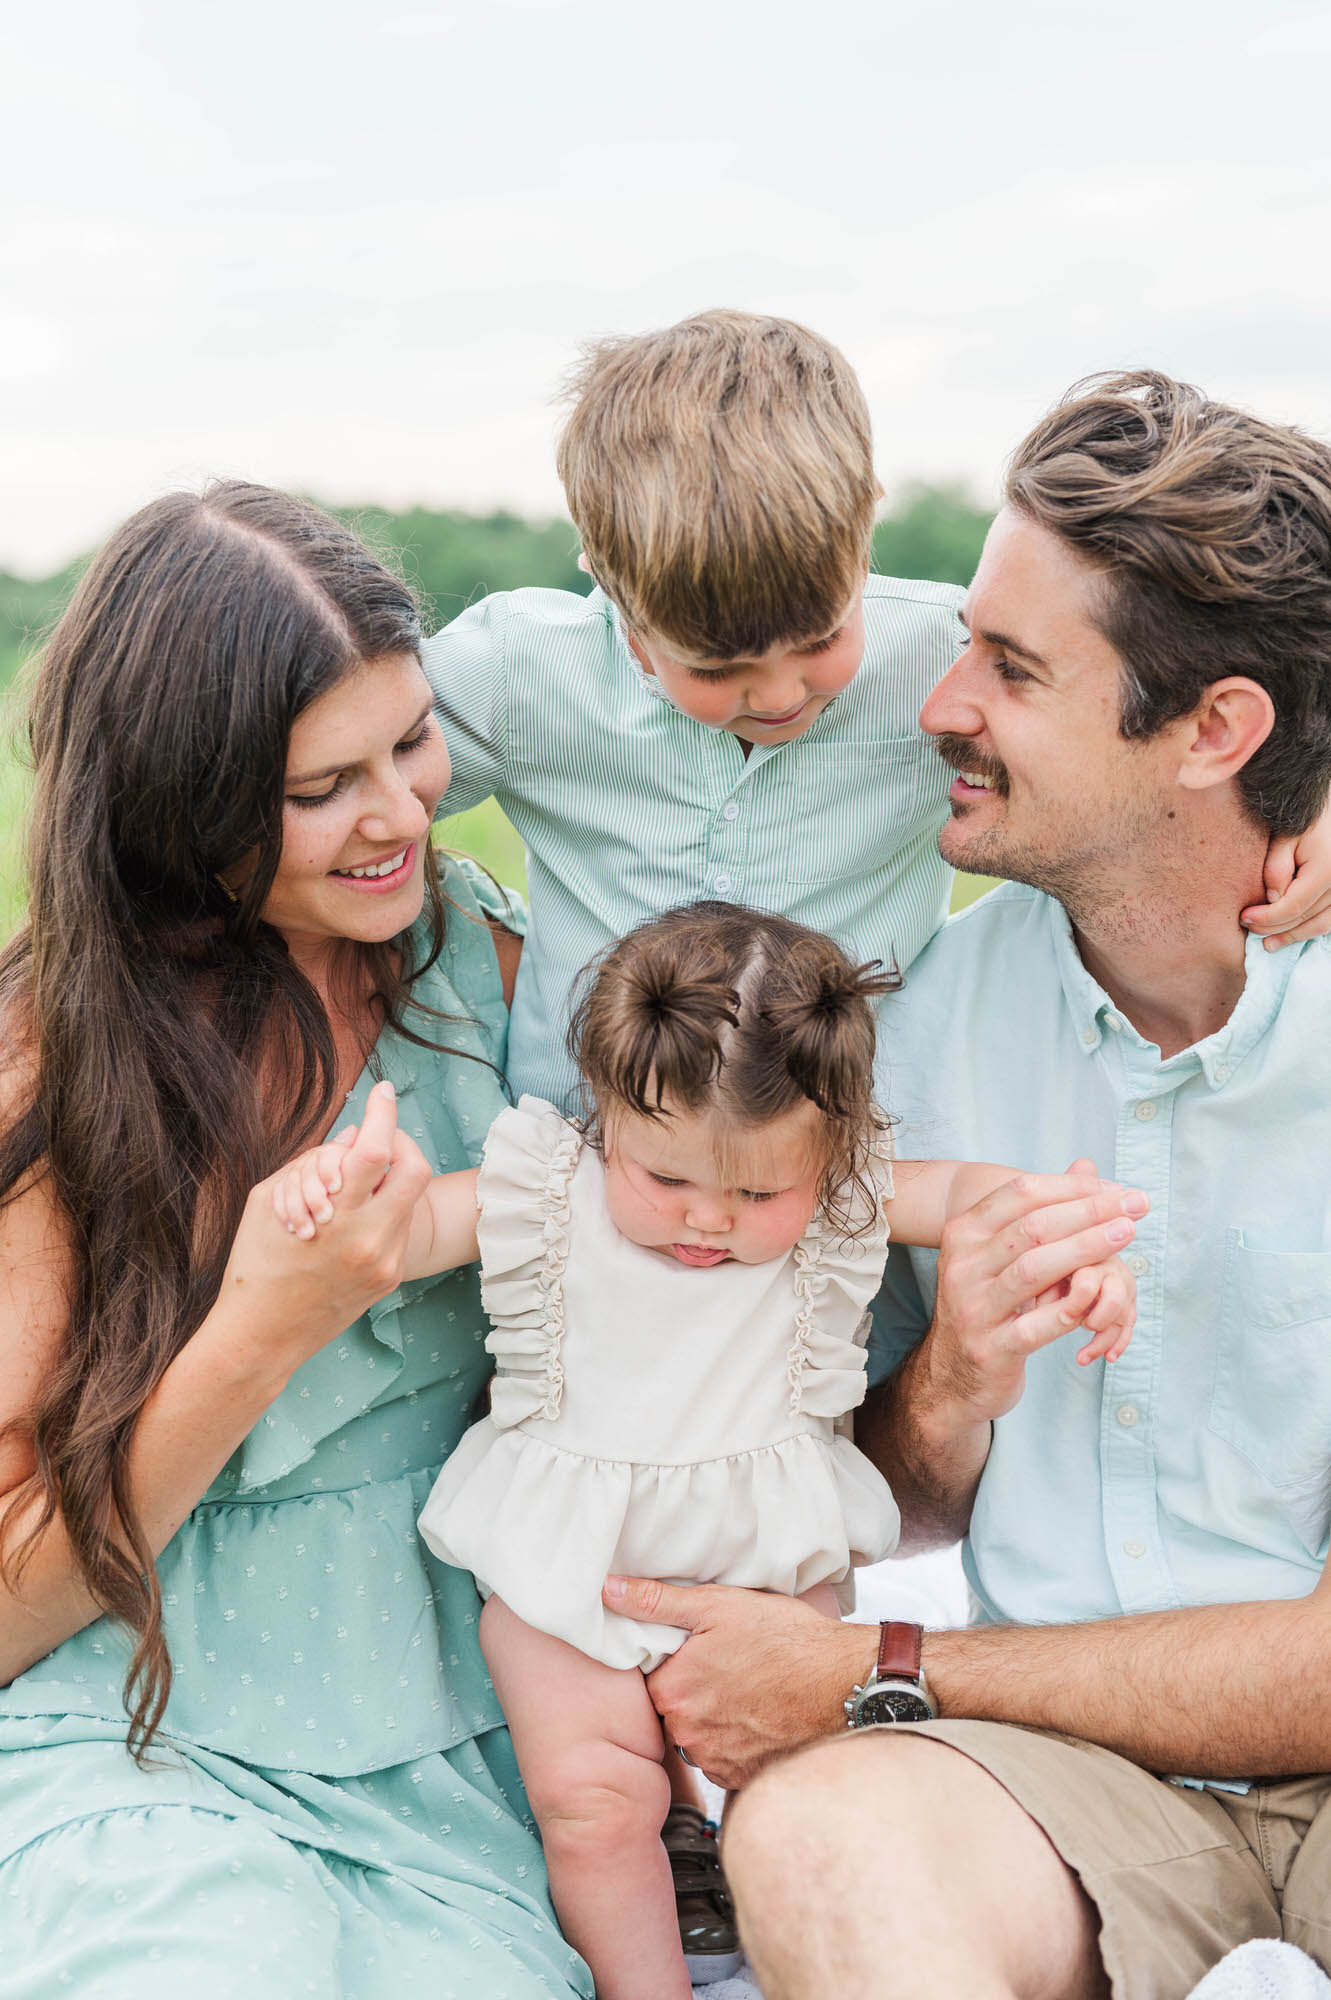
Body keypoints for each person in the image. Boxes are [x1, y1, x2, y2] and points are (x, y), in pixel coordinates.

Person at [596, 372, 1331, 2000]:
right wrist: (949, 1386)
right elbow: (879, 1502)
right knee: (819, 1838)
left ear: (1215, 732)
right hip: (1060, 1798)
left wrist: (885, 1668)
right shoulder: (911, 1037)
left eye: (1009, 668)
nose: (936, 706)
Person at [275, 899, 1143, 2000]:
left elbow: (977, 1194)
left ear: (826, 1151)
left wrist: (1069, 1246)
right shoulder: (549, 1193)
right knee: (593, 1808)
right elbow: (397, 1232)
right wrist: (328, 1190)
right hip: (564, 1562)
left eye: (755, 1191)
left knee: (808, 1796)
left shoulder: (835, 1198)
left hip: (766, 1568)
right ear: (605, 1113)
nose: (708, 1219)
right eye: (667, 1178)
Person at [0, 484, 589, 1998]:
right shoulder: (57, 1072)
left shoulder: (493, 964)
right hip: (128, 1726)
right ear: (179, 801)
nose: (399, 813)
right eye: (321, 786)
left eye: (410, 744)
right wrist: (268, 1320)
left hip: (449, 1745)